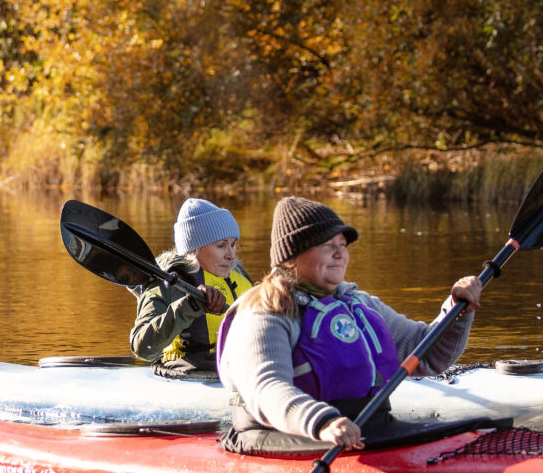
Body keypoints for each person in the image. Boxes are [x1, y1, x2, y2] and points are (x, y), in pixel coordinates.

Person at [214, 195, 483, 455]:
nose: (339, 254)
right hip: (280, 435)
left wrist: (457, 312)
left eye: (342, 245)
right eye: (326, 245)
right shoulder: (266, 310)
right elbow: (267, 389)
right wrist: (323, 422)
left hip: (362, 428)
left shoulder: (357, 303)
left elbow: (428, 355)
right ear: (291, 256)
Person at [130, 197, 257, 374]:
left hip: (242, 373)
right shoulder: (167, 284)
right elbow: (143, 349)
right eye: (221, 245)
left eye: (233, 245)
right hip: (185, 377)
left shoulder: (238, 277)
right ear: (194, 249)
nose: (231, 255)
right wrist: (188, 307)